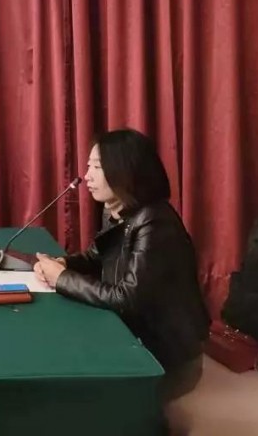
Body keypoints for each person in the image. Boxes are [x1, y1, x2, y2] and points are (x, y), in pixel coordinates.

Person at [34, 128, 211, 403]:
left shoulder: (155, 223)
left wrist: (62, 278)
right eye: (89, 166)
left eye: (96, 167)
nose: (86, 176)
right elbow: (96, 257)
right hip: (133, 334)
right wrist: (63, 263)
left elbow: (127, 298)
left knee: (74, 389)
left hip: (166, 359)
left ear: (125, 170)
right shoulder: (117, 208)